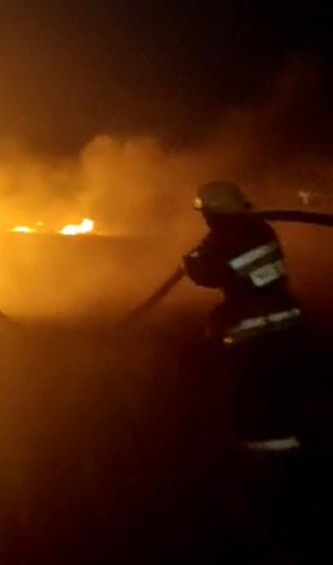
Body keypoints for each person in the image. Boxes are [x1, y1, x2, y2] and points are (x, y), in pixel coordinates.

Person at [182, 180, 314, 559]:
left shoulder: (225, 237)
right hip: (285, 321)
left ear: (212, 212)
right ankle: (292, 469)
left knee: (253, 400)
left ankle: (268, 488)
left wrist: (189, 260)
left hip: (256, 328)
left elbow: (204, 271)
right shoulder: (259, 229)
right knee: (281, 394)